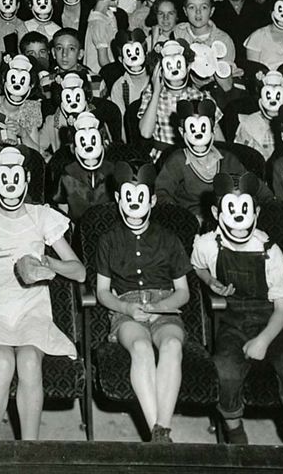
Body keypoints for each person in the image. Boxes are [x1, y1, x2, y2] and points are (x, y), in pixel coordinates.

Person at [0, 146, 85, 441]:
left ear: (27, 179)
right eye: (3, 178)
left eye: (17, 177)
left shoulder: (42, 216)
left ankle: (30, 450)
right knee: (3, 362)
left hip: (32, 307)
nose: (10, 185)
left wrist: (49, 262)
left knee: (29, 362)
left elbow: (80, 271)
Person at [191, 173, 283, 444]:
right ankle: (234, 429)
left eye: (246, 210)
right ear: (217, 213)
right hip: (233, 320)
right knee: (224, 369)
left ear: (256, 212)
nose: (239, 220)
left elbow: (282, 309)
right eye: (230, 210)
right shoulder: (208, 243)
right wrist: (210, 281)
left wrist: (263, 340)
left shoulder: (270, 250)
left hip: (273, 318)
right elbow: (196, 265)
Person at [93, 163, 189, 444]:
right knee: (141, 347)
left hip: (164, 304)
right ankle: (158, 433)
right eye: (128, 198)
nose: (135, 204)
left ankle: (162, 428)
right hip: (125, 306)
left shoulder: (169, 239)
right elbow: (102, 292)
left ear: (152, 201)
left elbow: (183, 293)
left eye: (141, 198)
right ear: (119, 200)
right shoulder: (108, 240)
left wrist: (158, 308)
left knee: (171, 345)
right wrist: (126, 309)